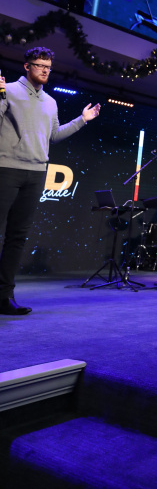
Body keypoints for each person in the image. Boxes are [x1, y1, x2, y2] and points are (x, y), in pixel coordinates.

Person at [0, 46, 101, 314]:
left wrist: (82, 120)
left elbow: (54, 135)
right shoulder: (8, 90)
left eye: (48, 67)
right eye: (39, 65)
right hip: (5, 168)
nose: (45, 70)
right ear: (27, 66)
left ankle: (4, 296)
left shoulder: (51, 102)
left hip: (36, 173)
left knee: (17, 237)